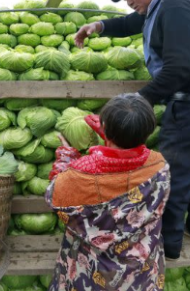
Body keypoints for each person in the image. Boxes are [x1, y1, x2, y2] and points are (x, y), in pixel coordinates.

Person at [74, 0, 190, 261]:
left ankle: (168, 246)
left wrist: (140, 99)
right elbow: (131, 23)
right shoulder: (158, 8)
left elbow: (179, 67)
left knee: (173, 175)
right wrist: (99, 26)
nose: (128, 1)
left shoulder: (175, 7)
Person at [45, 94, 170, 291]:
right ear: (148, 131)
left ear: (105, 129)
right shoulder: (159, 166)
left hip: (88, 275)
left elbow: (55, 194)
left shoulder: (79, 173)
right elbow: (126, 162)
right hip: (140, 273)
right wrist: (116, 138)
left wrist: (66, 156)